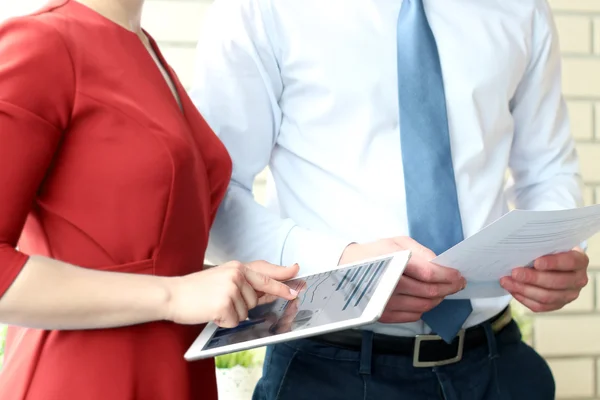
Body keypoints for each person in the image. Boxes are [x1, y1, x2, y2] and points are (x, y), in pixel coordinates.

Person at [190, 0, 591, 399]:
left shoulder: (522, 8)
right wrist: (341, 267)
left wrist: (553, 253)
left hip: (498, 366)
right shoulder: (262, 8)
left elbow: (548, 171)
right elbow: (213, 196)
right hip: (330, 371)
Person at [0, 0, 301, 399]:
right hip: (86, 377)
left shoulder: (143, 47)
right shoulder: (43, 43)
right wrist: (175, 295)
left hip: (175, 369)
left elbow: (139, 254)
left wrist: (229, 282)